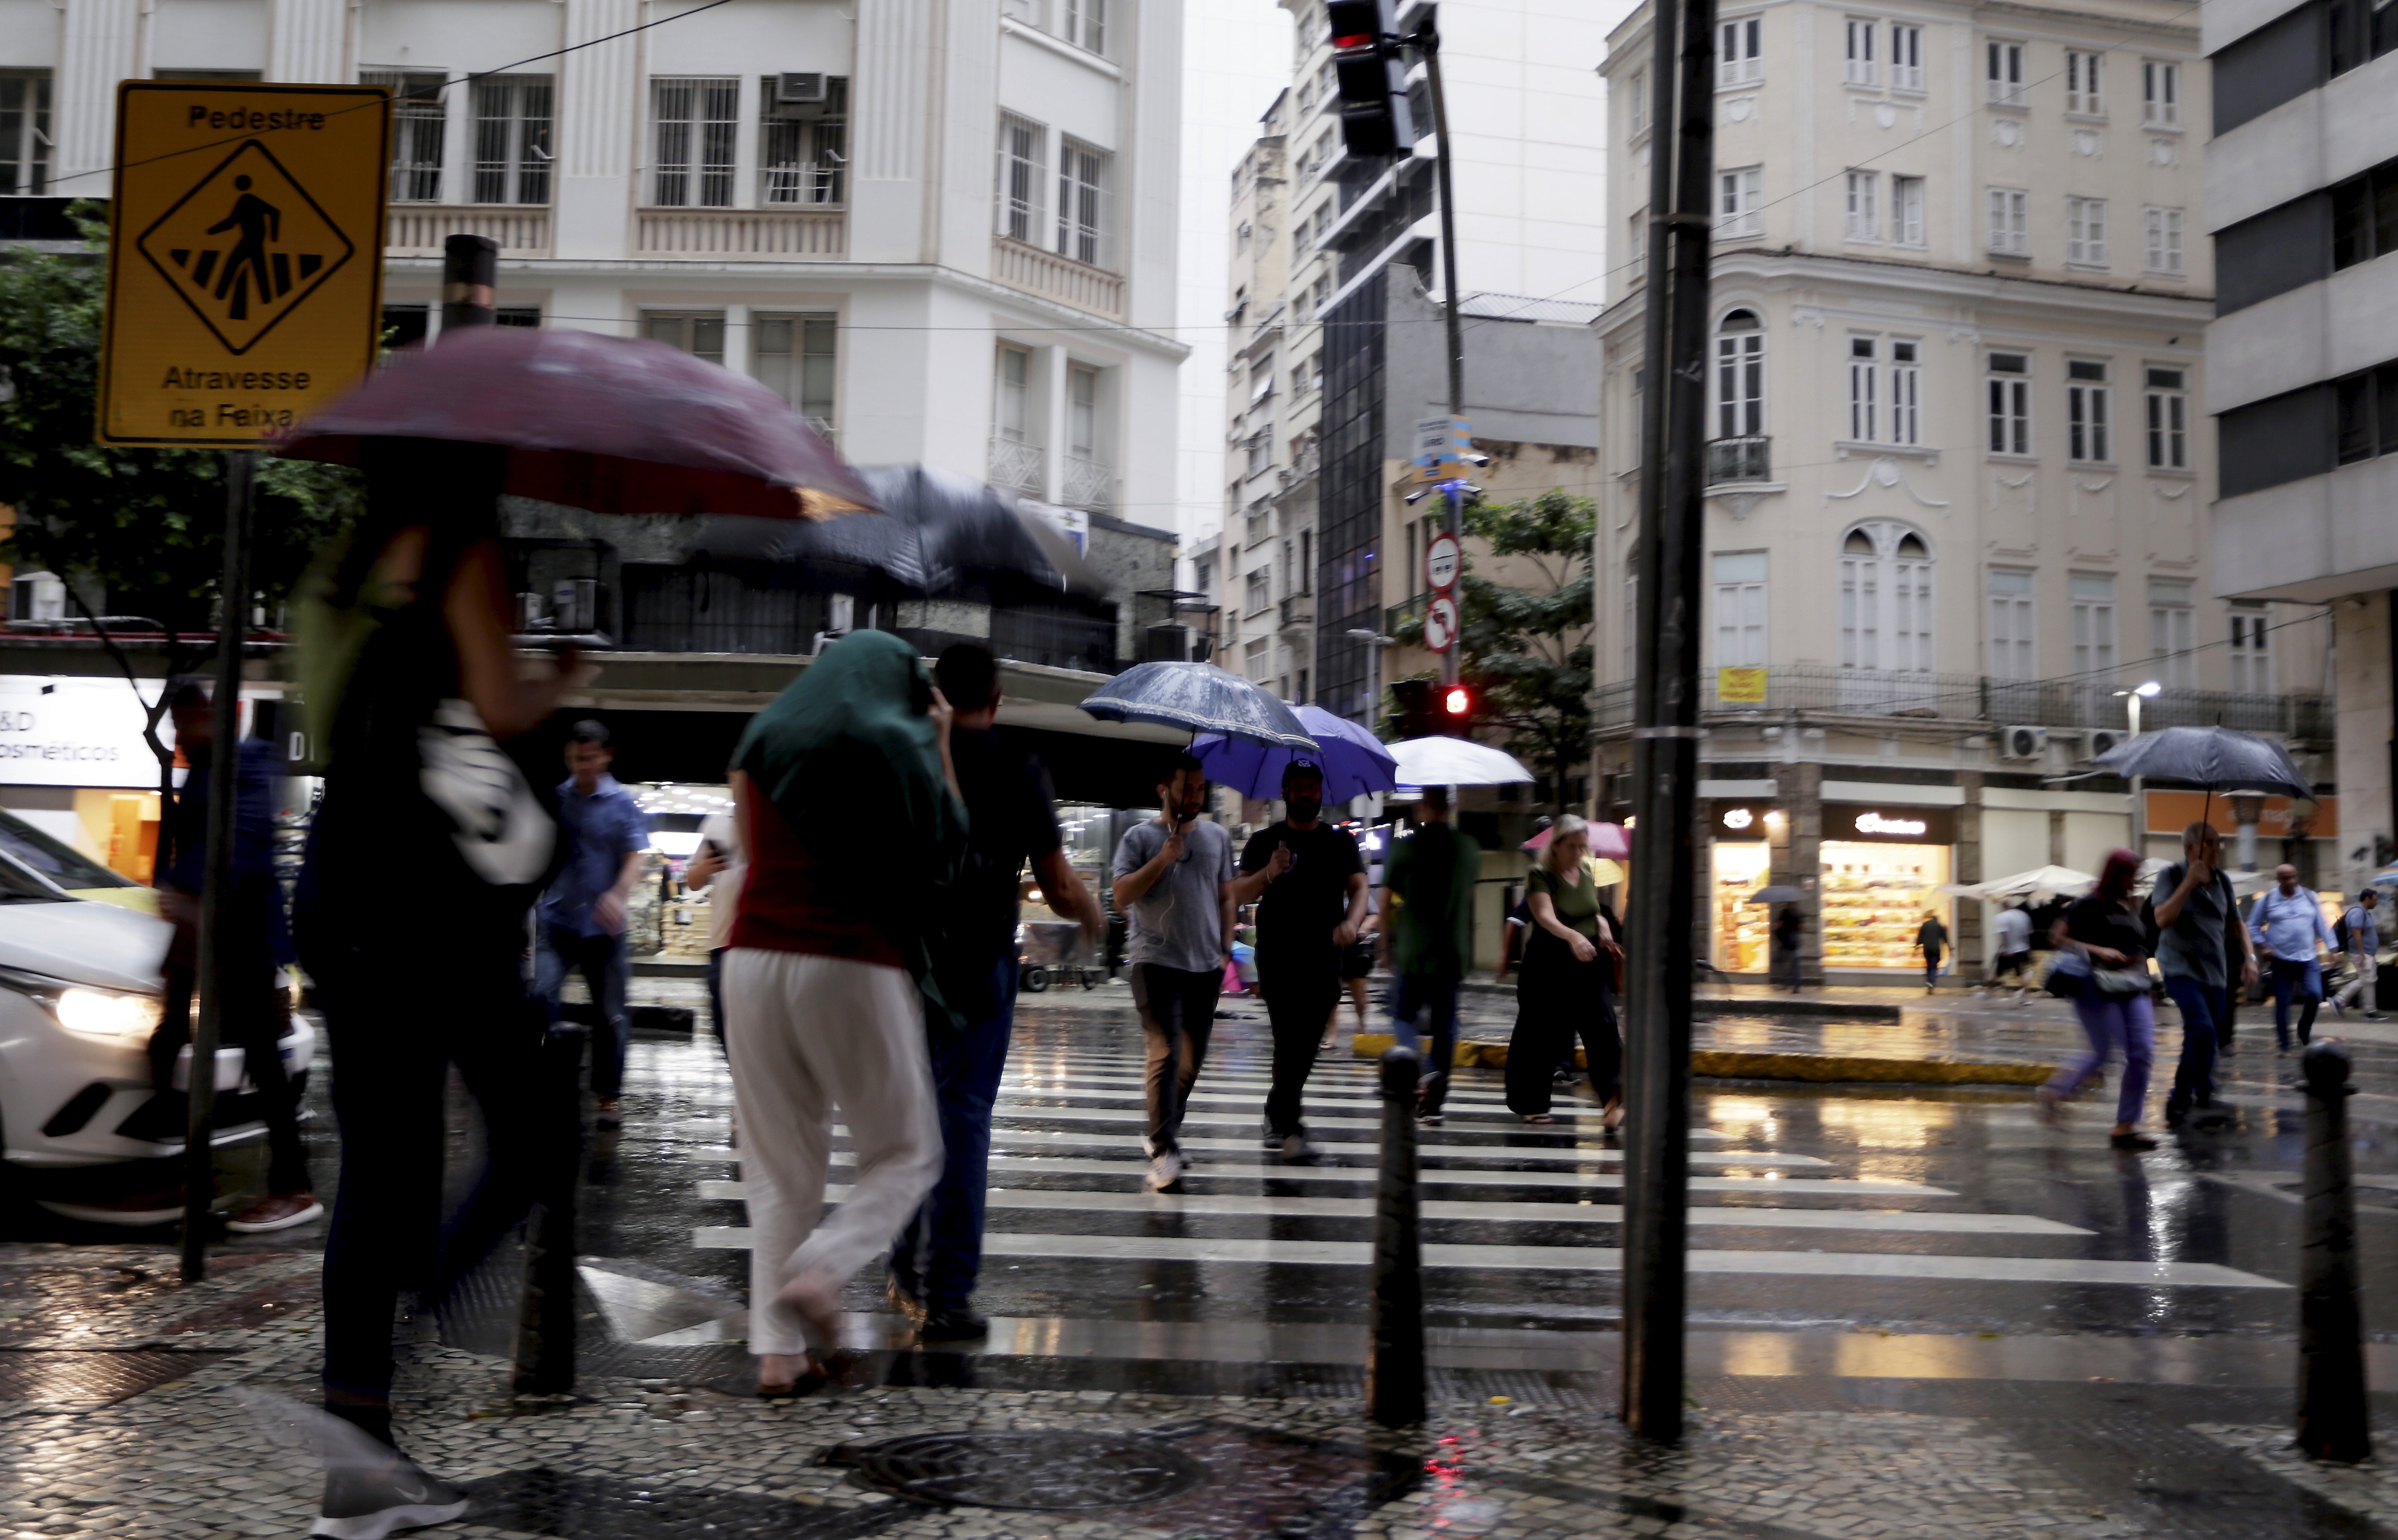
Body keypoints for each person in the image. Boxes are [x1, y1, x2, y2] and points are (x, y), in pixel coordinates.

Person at [294, 438, 575, 1538]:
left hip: (341, 884)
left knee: (381, 1173)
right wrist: (557, 676)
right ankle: (413, 1312)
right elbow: (500, 704)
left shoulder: (345, 563)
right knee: (536, 1136)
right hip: (429, 902)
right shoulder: (465, 551)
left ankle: (356, 1471)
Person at [719, 629, 961, 1396]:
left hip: (751, 960)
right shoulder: (894, 737)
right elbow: (946, 851)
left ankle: (778, 1354)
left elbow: (749, 847)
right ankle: (821, 1275)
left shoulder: (763, 733)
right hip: (849, 959)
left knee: (778, 1170)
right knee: (906, 1151)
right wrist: (941, 740)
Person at [888, 644, 1101, 1339]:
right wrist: (1092, 913)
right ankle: (948, 1295)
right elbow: (1060, 885)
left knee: (910, 1115)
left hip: (908, 964)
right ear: (999, 696)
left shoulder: (909, 756)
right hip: (979, 965)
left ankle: (901, 1264)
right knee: (963, 1117)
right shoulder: (1020, 766)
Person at [147, 681, 318, 1234]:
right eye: (173, 724)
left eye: (184, 722)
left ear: (211, 715)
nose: (177, 734)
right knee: (173, 1040)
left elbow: (238, 841)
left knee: (262, 1062)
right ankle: (175, 1170)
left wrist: (179, 887)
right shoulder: (203, 765)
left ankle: (292, 1184)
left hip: (238, 936)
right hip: (204, 936)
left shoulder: (247, 759)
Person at [1230, 763, 1368, 1164]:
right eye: (1298, 787)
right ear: (1285, 791)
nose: (1305, 793)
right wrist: (1270, 872)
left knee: (1304, 1043)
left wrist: (1352, 922)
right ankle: (1292, 1129)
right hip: (1277, 955)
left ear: (1320, 792)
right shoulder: (1264, 841)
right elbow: (1239, 892)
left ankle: (1277, 1110)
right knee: (1288, 1039)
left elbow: (1359, 889)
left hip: (1325, 955)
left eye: (1311, 786)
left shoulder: (1340, 842)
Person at [1111, 753, 1237, 1193]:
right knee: (1164, 1051)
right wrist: (1163, 859)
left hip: (1204, 963)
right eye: (1188, 789)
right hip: (1154, 960)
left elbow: (1225, 897)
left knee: (1190, 1062)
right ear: (1164, 790)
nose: (1196, 797)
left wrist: (1225, 949)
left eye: (1202, 789)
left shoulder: (1218, 838)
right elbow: (1121, 896)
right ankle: (1164, 1148)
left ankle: (1161, 1128)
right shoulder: (1138, 838)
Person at [534, 721, 649, 1126]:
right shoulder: (556, 800)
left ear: (606, 755)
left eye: (589, 757)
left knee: (610, 1013)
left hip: (605, 930)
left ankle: (608, 1095)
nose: (581, 765)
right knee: (541, 998)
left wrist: (618, 894)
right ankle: (535, 1083)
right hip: (557, 922)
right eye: (575, 758)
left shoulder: (623, 804)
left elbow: (637, 855)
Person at [1504, 816, 1623, 1129]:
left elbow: (1592, 907)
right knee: (1539, 1035)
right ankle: (1530, 1104)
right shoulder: (1541, 875)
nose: (1578, 852)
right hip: (1548, 965)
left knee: (1604, 1029)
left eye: (1582, 846)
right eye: (1572, 846)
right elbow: (1544, 916)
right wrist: (1572, 936)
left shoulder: (1585, 870)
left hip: (1586, 963)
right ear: (1556, 846)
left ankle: (1613, 1101)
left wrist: (1602, 924)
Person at [2037, 849, 2160, 1151]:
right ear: (2116, 874)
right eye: (2131, 873)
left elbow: (2141, 944)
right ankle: (2054, 1093)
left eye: (2137, 873)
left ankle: (2126, 1126)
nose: (2136, 879)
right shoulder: (2090, 904)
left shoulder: (2132, 904)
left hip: (2134, 985)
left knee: (2142, 1053)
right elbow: (2057, 938)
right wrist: (2097, 950)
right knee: (2102, 1052)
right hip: (2097, 986)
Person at [1380, 784, 1482, 1124]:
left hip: (1413, 949)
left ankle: (1417, 1072)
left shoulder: (1406, 849)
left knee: (1403, 1016)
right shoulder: (1468, 848)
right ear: (1449, 807)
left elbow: (1385, 901)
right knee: (1445, 1025)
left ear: (1423, 808)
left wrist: (1384, 946)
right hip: (1453, 951)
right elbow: (1468, 898)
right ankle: (1434, 1097)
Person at [2151, 820, 2257, 1127]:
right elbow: (2162, 919)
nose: (2217, 849)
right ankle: (2188, 1095)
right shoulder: (2171, 876)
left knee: (2203, 1035)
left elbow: (2238, 925)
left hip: (2216, 972)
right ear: (2190, 848)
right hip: (2180, 967)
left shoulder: (2223, 881)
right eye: (2209, 843)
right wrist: (2189, 883)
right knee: (2203, 1030)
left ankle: (2196, 1095)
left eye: (2219, 842)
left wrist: (2249, 958)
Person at [2251, 863, 2335, 1050]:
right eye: (2286, 878)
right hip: (2281, 959)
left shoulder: (2309, 897)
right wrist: (2264, 946)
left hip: (2308, 957)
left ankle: (2304, 1029)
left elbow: (2321, 924)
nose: (2291, 881)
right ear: (2279, 880)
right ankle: (2284, 1043)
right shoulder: (2267, 900)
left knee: (2315, 994)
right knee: (2283, 1002)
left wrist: (2333, 948)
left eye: (2293, 877)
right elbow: (2253, 926)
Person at [682, 804, 744, 1052]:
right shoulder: (719, 822)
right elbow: (694, 881)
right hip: (723, 942)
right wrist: (703, 869)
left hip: (761, 941)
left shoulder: (776, 818)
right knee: (722, 1027)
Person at [2332, 887, 2386, 1019]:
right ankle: (2340, 1001)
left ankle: (2369, 1010)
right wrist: (2362, 954)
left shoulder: (2364, 913)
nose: (2376, 903)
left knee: (2368, 980)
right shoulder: (2358, 913)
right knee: (2367, 979)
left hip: (2367, 953)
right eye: (2375, 900)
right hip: (2360, 952)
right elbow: (2356, 933)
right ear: (2367, 899)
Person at [1987, 903, 2034, 1002]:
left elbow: (2004, 934)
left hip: (2009, 950)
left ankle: (1989, 992)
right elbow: (2027, 934)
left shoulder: (2002, 917)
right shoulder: (2023, 916)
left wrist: (2007, 948)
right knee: (2022, 973)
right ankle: (2026, 996)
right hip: (2023, 948)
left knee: (1998, 973)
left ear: (2003, 907)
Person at [1771, 903, 1805, 993]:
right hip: (1794, 942)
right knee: (1794, 964)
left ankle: (1784, 983)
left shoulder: (1784, 913)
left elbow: (1779, 926)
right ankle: (1796, 985)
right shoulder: (1797, 914)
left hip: (1786, 942)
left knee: (1781, 962)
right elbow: (1801, 927)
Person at [1915, 911, 1949, 993]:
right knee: (1934, 966)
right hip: (1936, 949)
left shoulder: (1925, 925)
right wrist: (1950, 948)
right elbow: (1944, 939)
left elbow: (1920, 938)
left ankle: (1929, 981)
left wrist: (1916, 947)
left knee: (1929, 965)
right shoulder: (1939, 926)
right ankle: (1931, 981)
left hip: (1927, 949)